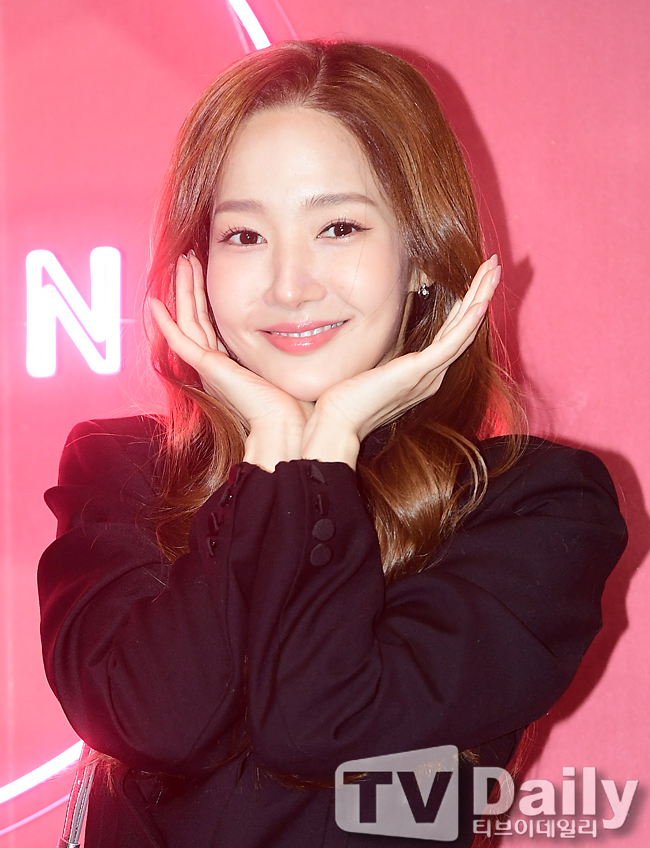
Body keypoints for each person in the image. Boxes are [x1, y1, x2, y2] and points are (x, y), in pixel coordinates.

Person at [38, 40, 627, 848]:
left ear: (421, 258)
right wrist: (274, 452)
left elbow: (324, 728)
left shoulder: (535, 507)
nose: (290, 285)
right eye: (245, 236)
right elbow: (153, 719)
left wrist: (323, 455)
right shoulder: (119, 474)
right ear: (196, 266)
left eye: (338, 227)